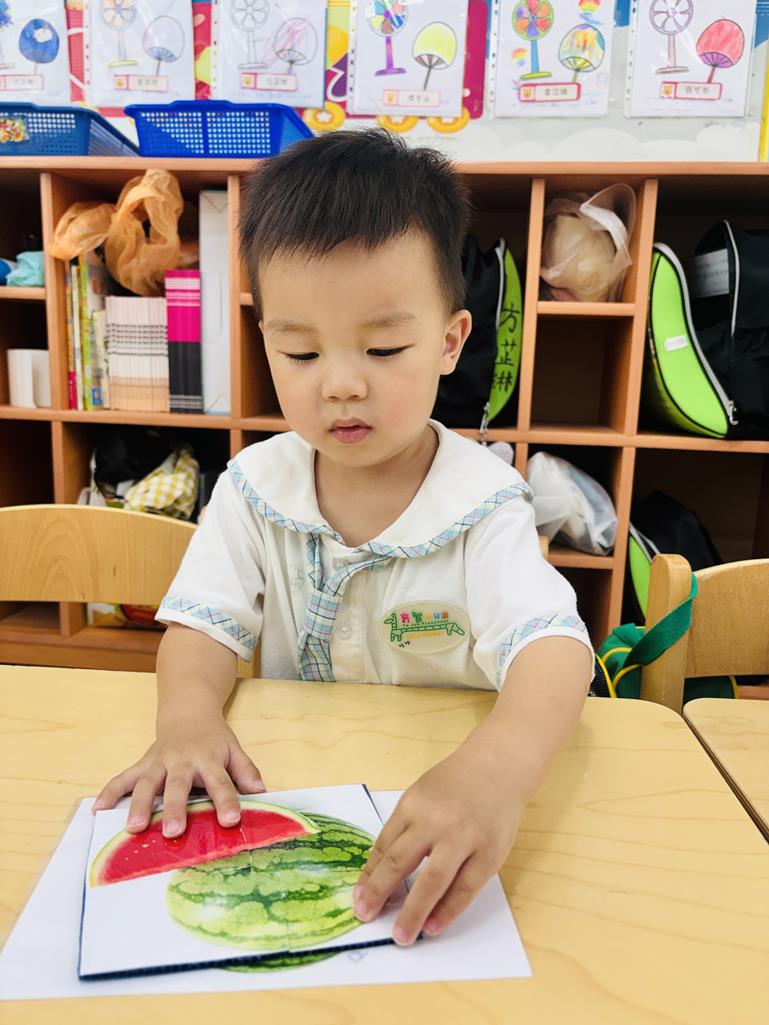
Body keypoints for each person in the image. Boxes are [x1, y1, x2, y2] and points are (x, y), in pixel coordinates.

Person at [95, 129, 593, 947]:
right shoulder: (254, 486)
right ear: (265, 339)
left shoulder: (483, 501)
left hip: (437, 791)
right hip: (298, 789)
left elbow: (554, 650)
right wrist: (185, 718)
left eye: (383, 347)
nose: (340, 383)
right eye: (300, 350)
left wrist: (494, 771)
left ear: (449, 340)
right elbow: (202, 626)